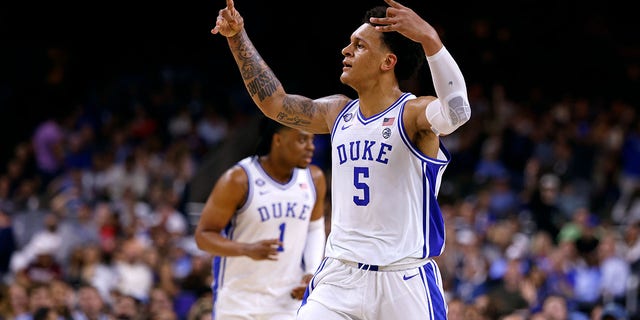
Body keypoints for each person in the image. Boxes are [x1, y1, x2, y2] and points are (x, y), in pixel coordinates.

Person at [211, 0, 471, 318]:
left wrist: (429, 38)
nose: (345, 51)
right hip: (340, 276)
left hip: (402, 280)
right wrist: (237, 36)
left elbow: (457, 111)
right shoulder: (337, 112)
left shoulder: (412, 114)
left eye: (358, 46)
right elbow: (274, 103)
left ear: (387, 61)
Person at [194, 116, 328, 319]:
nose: (311, 147)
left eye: (312, 140)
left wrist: (310, 272)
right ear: (278, 140)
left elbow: (315, 229)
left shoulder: (314, 178)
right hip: (238, 301)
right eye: (302, 140)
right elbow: (203, 236)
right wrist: (246, 249)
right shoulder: (238, 179)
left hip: (287, 301)